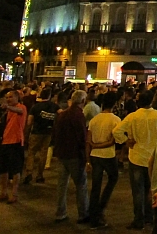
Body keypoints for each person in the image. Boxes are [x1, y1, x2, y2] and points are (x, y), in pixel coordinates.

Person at [113, 90, 157, 230]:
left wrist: (126, 141)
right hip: (154, 157)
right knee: (151, 189)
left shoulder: (132, 117)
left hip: (137, 157)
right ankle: (150, 217)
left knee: (138, 191)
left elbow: (116, 131)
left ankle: (138, 219)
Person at [53, 90, 89, 223]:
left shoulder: (63, 114)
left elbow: (56, 133)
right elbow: (82, 137)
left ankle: (60, 212)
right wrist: (85, 156)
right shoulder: (78, 115)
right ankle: (83, 213)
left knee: (62, 184)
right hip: (74, 154)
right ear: (83, 101)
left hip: (62, 153)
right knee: (81, 185)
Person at [87, 91, 121, 230]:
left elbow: (88, 138)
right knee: (113, 178)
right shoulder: (115, 120)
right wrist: (101, 145)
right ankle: (101, 207)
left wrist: (93, 148)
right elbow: (113, 141)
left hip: (95, 155)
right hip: (107, 154)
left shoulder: (94, 120)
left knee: (96, 185)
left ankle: (93, 214)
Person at [0, 89, 27, 204]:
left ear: (17, 98)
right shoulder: (5, 112)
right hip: (5, 142)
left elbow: (18, 110)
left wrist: (7, 107)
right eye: (7, 97)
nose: (8, 99)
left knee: (15, 169)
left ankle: (14, 194)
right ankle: (3, 193)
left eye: (11, 97)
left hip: (16, 142)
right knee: (2, 169)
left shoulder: (21, 107)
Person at [24, 86, 58, 185]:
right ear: (50, 96)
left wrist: (27, 132)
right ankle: (40, 175)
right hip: (48, 132)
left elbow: (29, 121)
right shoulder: (54, 106)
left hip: (36, 132)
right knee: (43, 153)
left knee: (31, 153)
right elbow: (61, 114)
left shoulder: (36, 107)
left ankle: (29, 172)